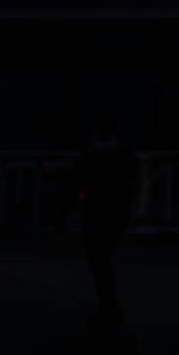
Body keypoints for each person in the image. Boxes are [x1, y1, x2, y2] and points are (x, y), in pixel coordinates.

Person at [66, 138, 136, 332]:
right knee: (100, 262)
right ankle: (109, 305)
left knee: (100, 262)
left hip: (102, 217)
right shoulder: (116, 160)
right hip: (105, 217)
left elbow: (77, 187)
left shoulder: (95, 161)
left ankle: (109, 306)